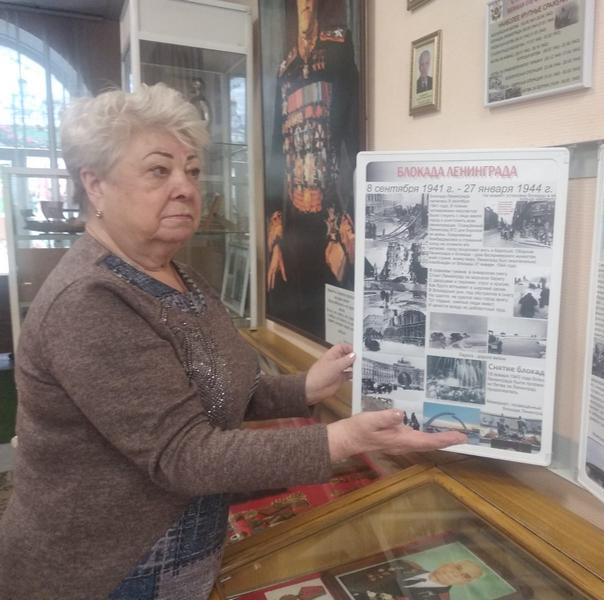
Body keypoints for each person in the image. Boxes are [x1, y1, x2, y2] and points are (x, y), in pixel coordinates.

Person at [0, 84, 465, 600]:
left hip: (186, 550)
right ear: (95, 185)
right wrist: (345, 439)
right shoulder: (89, 300)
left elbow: (215, 391)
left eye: (192, 171)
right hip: (109, 570)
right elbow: (184, 454)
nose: (185, 187)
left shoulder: (180, 277)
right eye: (159, 171)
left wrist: (304, 388)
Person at [266, 0, 359, 339]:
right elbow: (277, 155)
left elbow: (353, 144)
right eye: (299, 2)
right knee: (297, 317)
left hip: (329, 215)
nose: (305, 5)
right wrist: (276, 236)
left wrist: (344, 226)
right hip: (295, 222)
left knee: (331, 326)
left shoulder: (337, 50)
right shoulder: (285, 69)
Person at [339, 557, 484, 600]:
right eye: (458, 568)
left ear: (464, 583)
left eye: (465, 576)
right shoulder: (405, 564)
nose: (456, 574)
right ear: (448, 563)